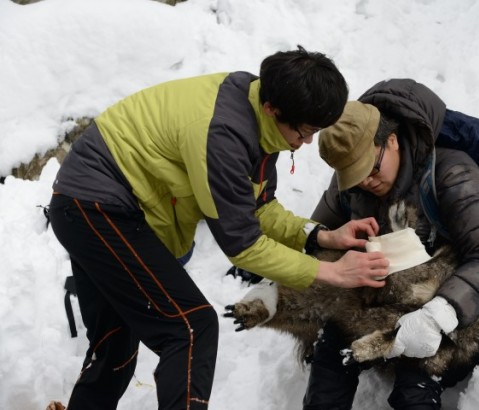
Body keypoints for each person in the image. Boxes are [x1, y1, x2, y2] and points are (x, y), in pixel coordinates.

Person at [46, 46, 389, 410]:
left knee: (114, 345)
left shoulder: (259, 116)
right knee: (192, 328)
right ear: (274, 109)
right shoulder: (223, 133)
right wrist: (330, 271)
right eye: (304, 131)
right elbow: (243, 245)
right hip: (98, 206)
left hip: (89, 205)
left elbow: (259, 208)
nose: (305, 143)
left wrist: (320, 235)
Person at [303, 79, 479, 409]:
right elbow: (318, 232)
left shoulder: (452, 173)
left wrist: (438, 315)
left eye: (370, 169)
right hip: (392, 290)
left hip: (456, 299)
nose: (366, 183)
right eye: (354, 177)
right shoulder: (355, 182)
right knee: (331, 348)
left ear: (393, 140)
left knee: (415, 382)